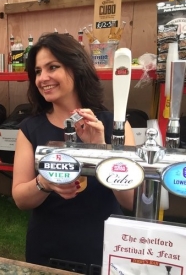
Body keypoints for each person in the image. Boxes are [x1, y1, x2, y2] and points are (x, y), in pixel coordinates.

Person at [12, 33, 135, 269]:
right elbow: (20, 198)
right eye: (37, 71)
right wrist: (44, 183)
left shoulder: (114, 125)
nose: (42, 78)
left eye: (53, 67)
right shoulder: (30, 129)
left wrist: (101, 152)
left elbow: (130, 201)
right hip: (48, 248)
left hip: (104, 246)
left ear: (76, 68)